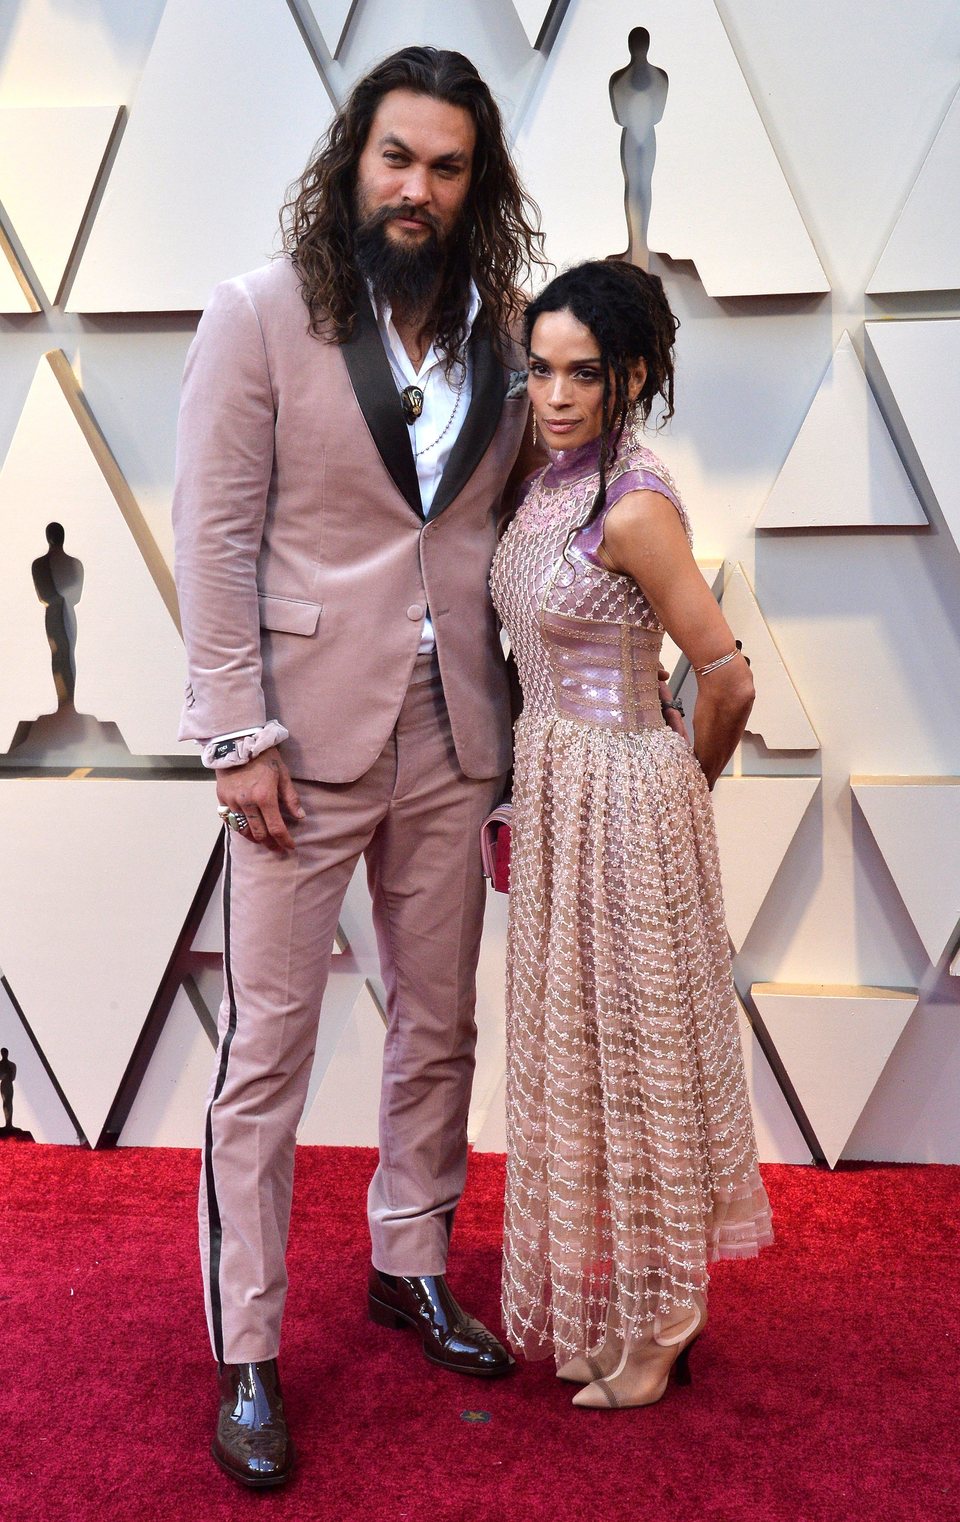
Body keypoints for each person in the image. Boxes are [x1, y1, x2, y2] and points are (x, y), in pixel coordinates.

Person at [172, 46, 545, 1486]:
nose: (417, 188)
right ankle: (249, 1346)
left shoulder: (509, 335)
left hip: (456, 733)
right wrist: (235, 730)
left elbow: (503, 532)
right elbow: (213, 531)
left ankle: (408, 1262)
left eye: (448, 167)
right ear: (354, 161)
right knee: (264, 1053)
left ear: (476, 186)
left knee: (435, 1022)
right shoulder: (262, 317)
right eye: (398, 157)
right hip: (297, 746)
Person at [490, 259, 774, 1411]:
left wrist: (680, 788)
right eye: (541, 370)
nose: (555, 395)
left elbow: (727, 680)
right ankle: (628, 1302)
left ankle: (666, 1317)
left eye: (583, 374)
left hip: (625, 797)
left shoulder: (636, 505)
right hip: (560, 788)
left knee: (644, 1061)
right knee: (587, 1056)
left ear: (636, 376)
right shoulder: (552, 478)